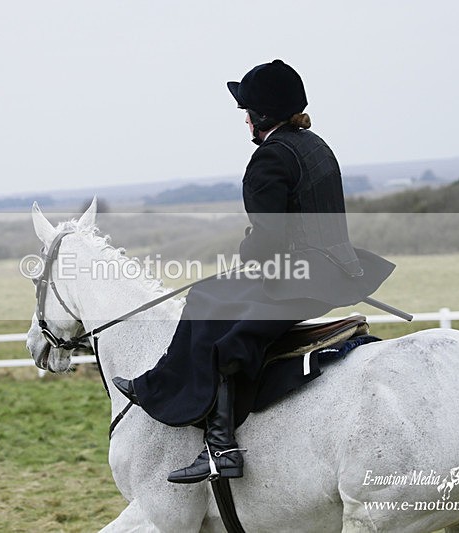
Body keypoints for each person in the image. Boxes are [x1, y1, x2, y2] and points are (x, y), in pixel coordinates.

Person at [113, 59, 395, 484]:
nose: (244, 118)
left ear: (259, 116)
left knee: (218, 322)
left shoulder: (269, 159)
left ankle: (220, 447)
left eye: (247, 111)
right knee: (210, 294)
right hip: (337, 269)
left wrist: (247, 259)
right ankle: (158, 383)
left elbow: (269, 236)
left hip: (300, 274)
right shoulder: (315, 144)